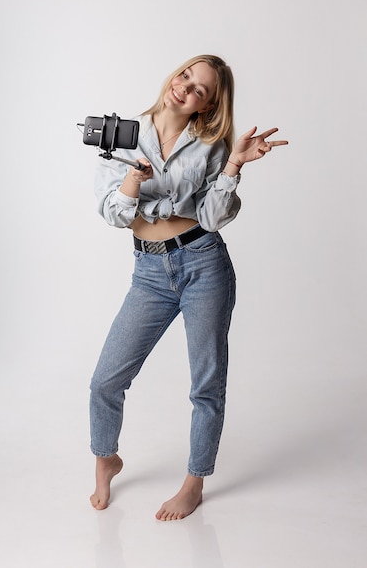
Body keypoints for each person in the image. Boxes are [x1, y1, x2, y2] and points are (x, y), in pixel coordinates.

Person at [89, 54, 288, 521]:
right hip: (149, 274)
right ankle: (105, 458)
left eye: (200, 90)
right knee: (106, 379)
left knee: (206, 385)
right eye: (185, 76)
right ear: (173, 75)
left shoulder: (211, 145)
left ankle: (194, 481)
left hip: (203, 265)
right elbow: (115, 215)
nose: (185, 89)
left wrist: (234, 165)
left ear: (207, 105)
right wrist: (134, 181)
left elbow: (212, 217)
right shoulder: (121, 136)